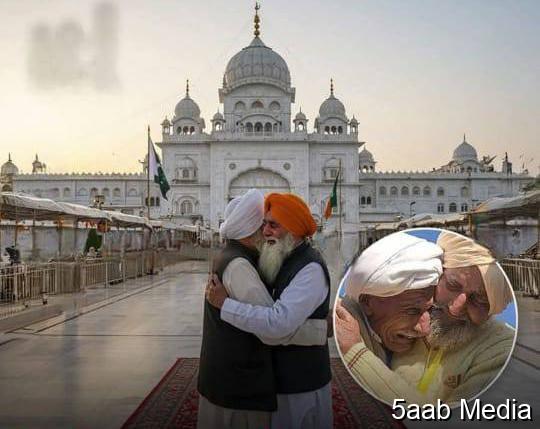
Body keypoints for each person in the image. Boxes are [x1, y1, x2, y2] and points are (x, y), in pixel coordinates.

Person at [198, 189, 327, 429]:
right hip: (239, 382)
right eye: (262, 225)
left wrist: (225, 304)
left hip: (300, 382)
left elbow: (275, 323)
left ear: (293, 228)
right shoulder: (241, 264)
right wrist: (317, 331)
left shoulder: (308, 267)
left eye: (273, 225)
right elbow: (273, 328)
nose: (265, 231)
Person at [338, 230, 515, 405]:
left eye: (480, 300)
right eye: (453, 285)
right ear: (439, 275)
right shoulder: (412, 315)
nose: (456, 308)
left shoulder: (501, 349)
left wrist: (357, 354)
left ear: (493, 306)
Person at [335, 231, 443, 401]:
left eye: (429, 310)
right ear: (367, 303)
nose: (425, 328)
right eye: (412, 311)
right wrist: (353, 351)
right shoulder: (339, 339)